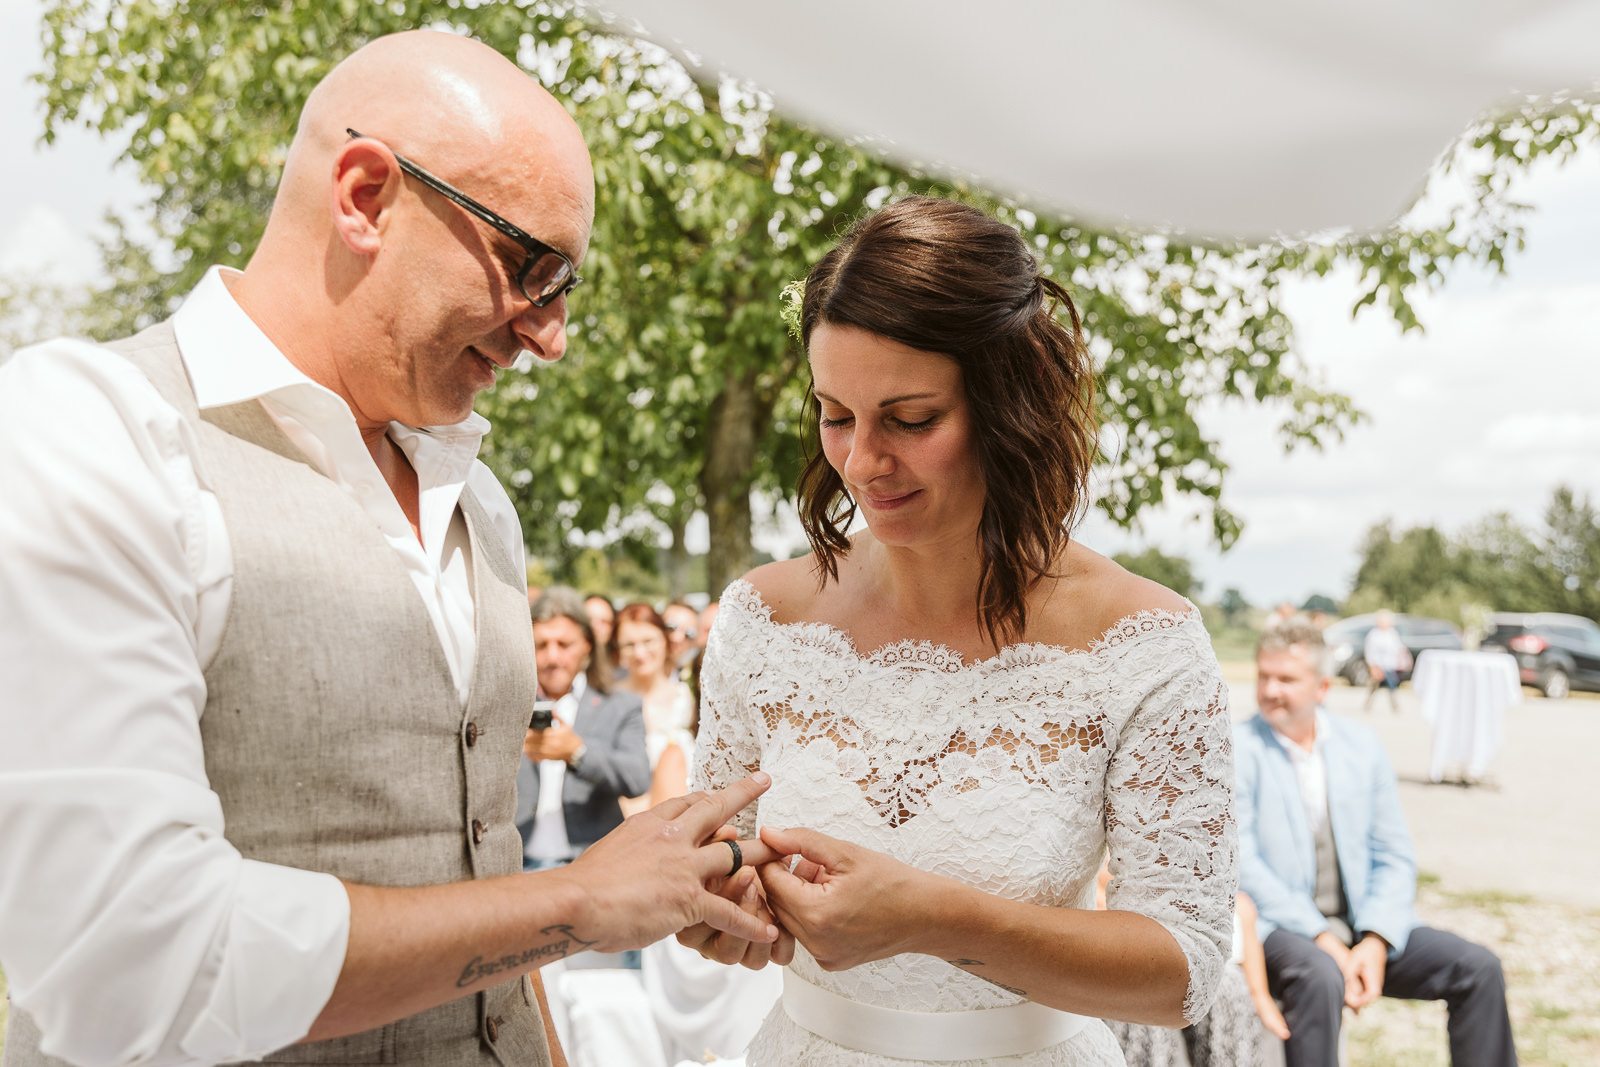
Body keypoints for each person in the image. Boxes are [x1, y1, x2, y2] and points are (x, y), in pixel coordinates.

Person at [0, 30, 779, 1067]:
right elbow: (125, 959)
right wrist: (582, 899)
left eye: (565, 289)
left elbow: (478, 860)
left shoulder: (479, 496)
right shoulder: (85, 428)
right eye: (531, 267)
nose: (550, 334)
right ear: (365, 194)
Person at [682, 196, 1238, 1065]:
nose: (863, 462)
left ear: (1008, 403)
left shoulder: (1144, 644)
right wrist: (721, 915)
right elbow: (710, 867)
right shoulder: (762, 619)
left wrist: (932, 917)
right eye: (836, 414)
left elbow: (1183, 972)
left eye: (910, 419)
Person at [1237, 619, 1516, 1067]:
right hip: (1281, 927)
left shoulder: (1361, 746)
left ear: (1322, 687)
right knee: (1320, 975)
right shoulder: (1237, 748)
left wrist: (1377, 939)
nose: (1270, 689)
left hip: (1364, 923)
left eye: (1286, 678)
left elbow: (1393, 853)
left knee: (1477, 968)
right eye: (1263, 676)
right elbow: (1242, 862)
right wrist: (1320, 934)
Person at [517, 587, 651, 870]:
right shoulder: (510, 704)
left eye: (564, 645)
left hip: (590, 865)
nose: (552, 657)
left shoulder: (620, 705)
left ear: (587, 644)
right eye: (541, 645)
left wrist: (577, 753)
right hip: (518, 866)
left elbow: (637, 779)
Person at [612, 602, 698, 818]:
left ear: (664, 640)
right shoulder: (609, 700)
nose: (640, 653)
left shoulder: (685, 697)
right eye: (629, 645)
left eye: (648, 641)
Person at [1363, 609, 1411, 712]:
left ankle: (1395, 706)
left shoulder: (1392, 633)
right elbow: (1370, 652)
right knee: (1375, 686)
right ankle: (1368, 703)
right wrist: (1373, 667)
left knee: (1392, 685)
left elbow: (1398, 648)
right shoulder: (1374, 635)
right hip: (1378, 665)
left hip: (1390, 665)